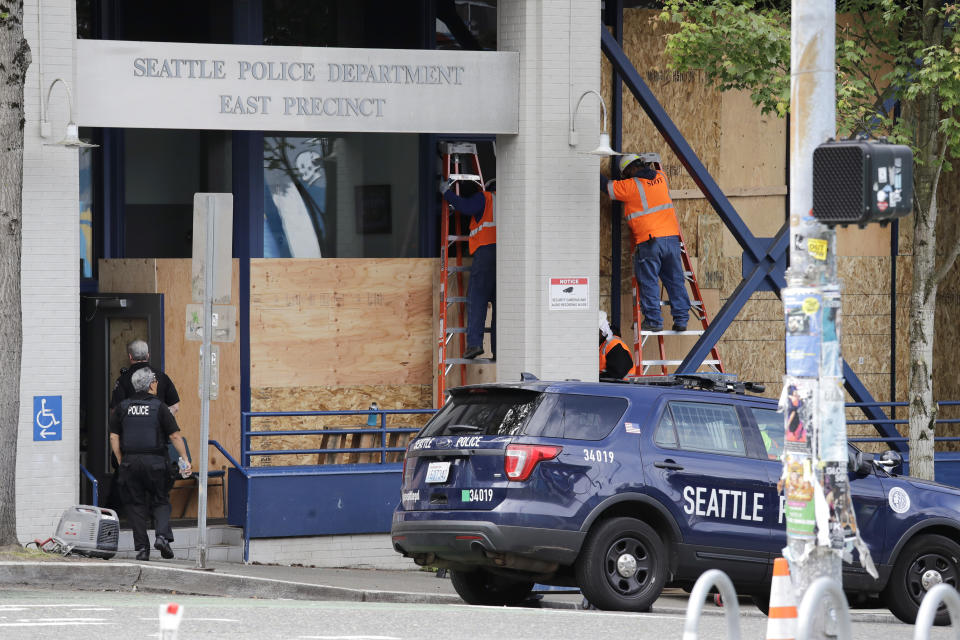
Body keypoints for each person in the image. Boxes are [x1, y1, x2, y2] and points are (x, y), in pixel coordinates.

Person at [601, 152, 690, 332]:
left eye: (625, 174)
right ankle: (681, 319)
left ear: (630, 170)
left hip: (649, 241)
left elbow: (608, 188)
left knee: (649, 280)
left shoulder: (631, 186)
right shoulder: (661, 177)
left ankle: (654, 321)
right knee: (675, 279)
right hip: (671, 238)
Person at [109, 367, 191, 561]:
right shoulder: (159, 406)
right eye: (154, 381)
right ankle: (162, 537)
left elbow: (114, 436)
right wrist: (185, 459)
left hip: (130, 463)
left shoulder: (123, 407)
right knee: (161, 500)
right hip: (155, 463)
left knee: (135, 505)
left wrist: (121, 461)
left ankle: (142, 550)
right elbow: (174, 435)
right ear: (151, 385)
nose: (156, 383)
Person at [440, 176, 496, 360]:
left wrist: (446, 192)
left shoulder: (486, 197)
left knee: (477, 298)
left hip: (486, 252)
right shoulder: (510, 200)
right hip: (507, 256)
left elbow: (465, 207)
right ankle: (499, 349)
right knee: (500, 305)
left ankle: (474, 344)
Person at [111, 339, 180, 416]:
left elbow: (116, 410)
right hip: (156, 427)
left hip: (132, 427)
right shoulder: (162, 377)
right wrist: (160, 419)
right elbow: (175, 407)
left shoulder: (122, 380)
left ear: (130, 357)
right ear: (148, 355)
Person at [599, 311, 636, 380]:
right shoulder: (602, 345)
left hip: (622, 387)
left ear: (602, 330)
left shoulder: (614, 344)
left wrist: (598, 377)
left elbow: (618, 372)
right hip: (611, 386)